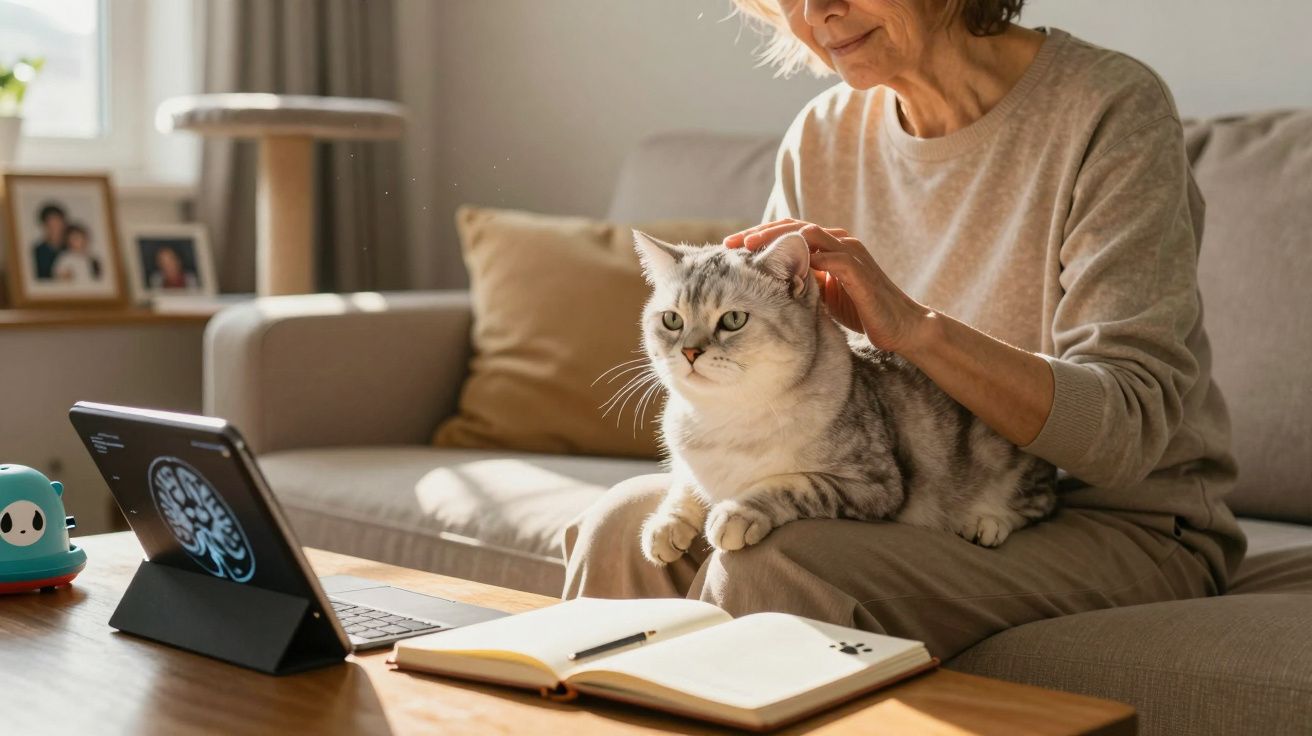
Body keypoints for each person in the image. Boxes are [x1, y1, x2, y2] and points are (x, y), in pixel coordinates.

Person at [562, 0, 1243, 660]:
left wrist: (915, 331)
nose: (815, 11)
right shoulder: (821, 135)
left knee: (776, 565)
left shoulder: (1109, 107)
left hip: (1118, 519)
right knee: (621, 525)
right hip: (899, 489)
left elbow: (1125, 436)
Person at [31, 203, 67, 281]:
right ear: (44, 225)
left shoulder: (71, 249)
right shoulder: (37, 251)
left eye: (58, 223)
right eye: (51, 225)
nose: (55, 229)